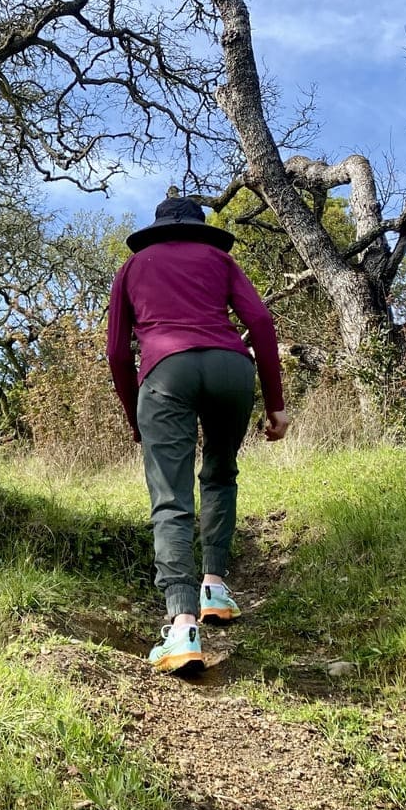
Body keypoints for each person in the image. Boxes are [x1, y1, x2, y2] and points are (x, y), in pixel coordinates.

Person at [105, 192, 289, 674]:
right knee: (221, 474)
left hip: (166, 372)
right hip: (232, 368)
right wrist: (277, 404)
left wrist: (134, 414)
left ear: (158, 228)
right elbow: (261, 321)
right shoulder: (220, 259)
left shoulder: (133, 267)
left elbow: (119, 354)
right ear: (200, 227)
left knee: (171, 496)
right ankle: (216, 586)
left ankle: (183, 623)